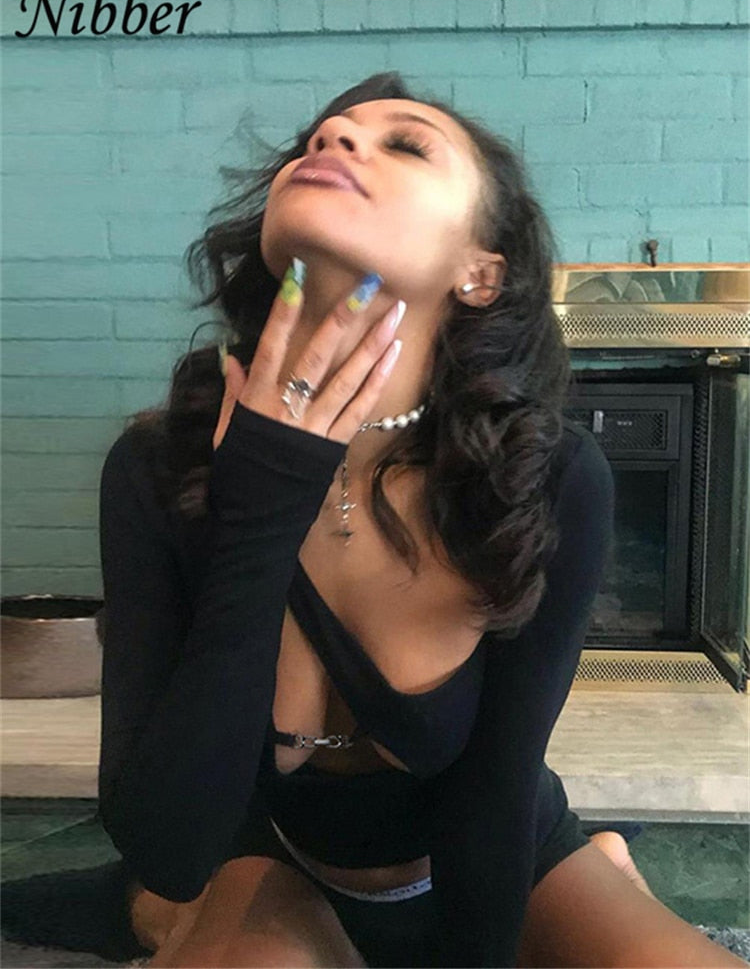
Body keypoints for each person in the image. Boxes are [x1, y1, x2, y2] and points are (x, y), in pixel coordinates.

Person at [93, 72, 744, 969]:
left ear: (480, 272)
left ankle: (605, 865)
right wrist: (261, 512)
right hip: (264, 854)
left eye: (403, 144)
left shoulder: (550, 478)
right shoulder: (157, 466)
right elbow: (170, 847)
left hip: (499, 847)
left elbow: (493, 794)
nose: (333, 141)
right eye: (318, 139)